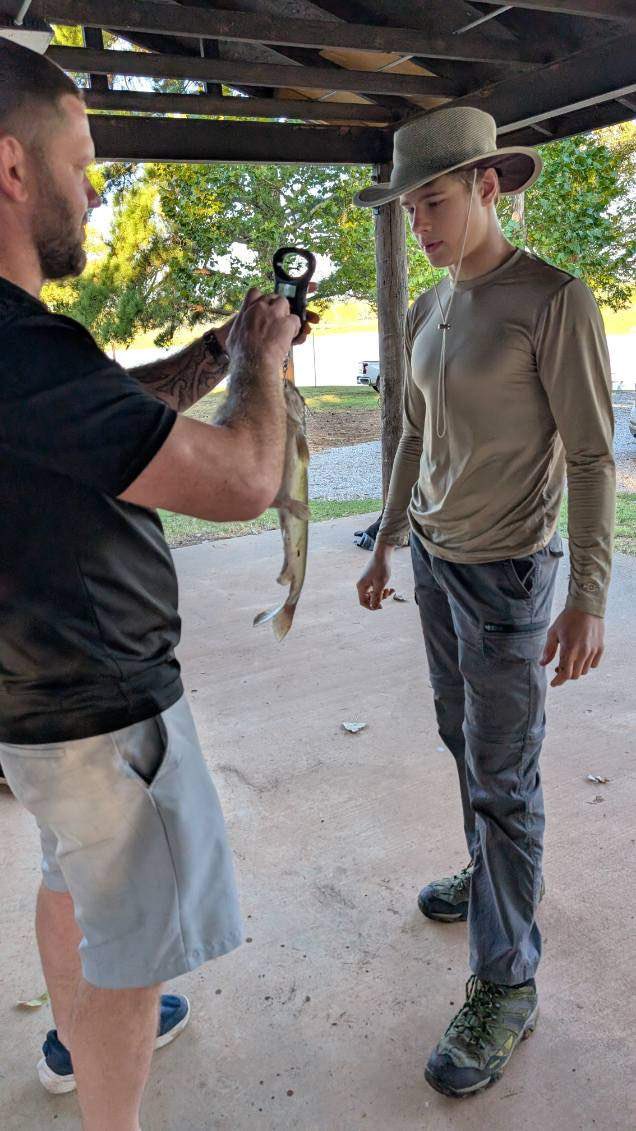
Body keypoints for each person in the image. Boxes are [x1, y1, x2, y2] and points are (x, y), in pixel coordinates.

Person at [0, 39, 314, 1131]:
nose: (95, 188)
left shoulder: (27, 359)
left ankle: (72, 1039)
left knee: (72, 885)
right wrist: (264, 368)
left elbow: (101, 413)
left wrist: (217, 353)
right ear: (11, 169)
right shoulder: (20, 350)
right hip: (104, 716)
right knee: (130, 942)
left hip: (37, 714)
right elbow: (241, 479)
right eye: (82, 162)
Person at [354, 106, 615, 1098]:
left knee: (504, 775)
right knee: (464, 741)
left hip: (510, 575)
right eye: (410, 206)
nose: (420, 223)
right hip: (433, 561)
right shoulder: (428, 309)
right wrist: (385, 539)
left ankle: (507, 984)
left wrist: (587, 594)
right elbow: (413, 437)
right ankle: (498, 869)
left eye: (435, 202)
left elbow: (592, 454)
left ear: (488, 189)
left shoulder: (552, 300)